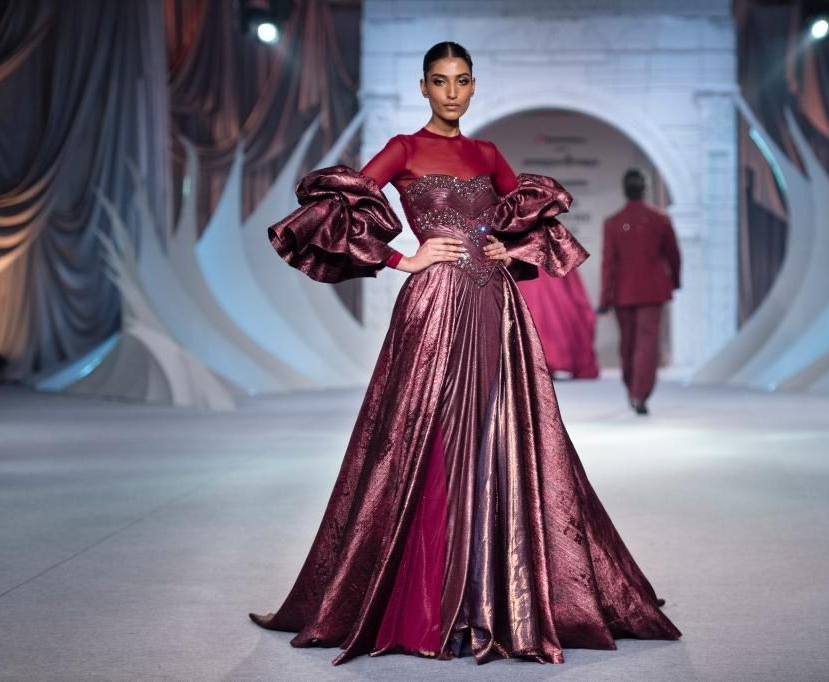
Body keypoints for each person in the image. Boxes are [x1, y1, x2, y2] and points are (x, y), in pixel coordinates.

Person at [250, 42, 681, 666]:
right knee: (425, 434)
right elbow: (332, 210)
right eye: (439, 81)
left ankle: (500, 593)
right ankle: (430, 595)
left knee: (502, 436)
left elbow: (528, 219)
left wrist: (510, 249)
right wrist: (402, 258)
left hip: (496, 307)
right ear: (423, 87)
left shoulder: (488, 154)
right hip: (434, 305)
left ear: (473, 86)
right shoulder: (403, 148)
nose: (451, 92)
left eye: (461, 81)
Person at [598, 169, 682, 416]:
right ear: (645, 188)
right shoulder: (659, 219)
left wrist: (604, 300)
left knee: (628, 344)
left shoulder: (613, 222)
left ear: (624, 189)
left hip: (623, 292)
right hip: (653, 290)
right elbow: (674, 255)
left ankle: (633, 390)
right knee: (647, 344)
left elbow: (608, 264)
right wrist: (675, 281)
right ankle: (639, 393)